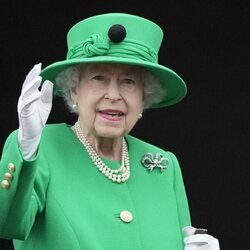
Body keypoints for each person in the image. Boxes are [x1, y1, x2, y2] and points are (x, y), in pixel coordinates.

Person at [0, 13, 220, 250]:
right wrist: (27, 149)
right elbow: (8, 223)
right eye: (98, 78)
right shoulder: (39, 150)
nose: (114, 95)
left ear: (144, 97)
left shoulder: (164, 166)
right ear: (74, 91)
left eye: (128, 82)